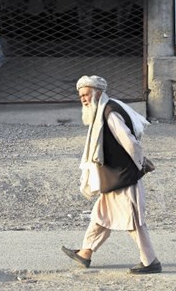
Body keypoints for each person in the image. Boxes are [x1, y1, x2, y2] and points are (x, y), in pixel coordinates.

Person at [61, 75, 161, 275]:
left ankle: (150, 262)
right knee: (101, 215)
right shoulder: (105, 109)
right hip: (113, 177)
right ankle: (85, 252)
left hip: (124, 176)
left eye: (86, 94)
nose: (83, 98)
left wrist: (140, 164)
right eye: (80, 95)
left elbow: (130, 142)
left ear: (97, 93)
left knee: (133, 220)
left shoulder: (109, 112)